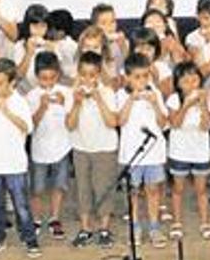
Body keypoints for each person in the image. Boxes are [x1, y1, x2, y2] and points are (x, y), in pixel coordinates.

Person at [0, 58, 40, 259]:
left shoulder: (19, 101)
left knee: (21, 204)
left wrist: (5, 110)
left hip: (14, 164)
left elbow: (27, 127)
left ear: (11, 83)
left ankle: (29, 236)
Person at [66, 51, 119, 248]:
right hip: (81, 147)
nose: (88, 79)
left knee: (103, 187)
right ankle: (86, 227)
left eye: (92, 74)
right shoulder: (72, 94)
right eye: (84, 74)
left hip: (104, 148)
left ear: (99, 75)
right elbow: (70, 125)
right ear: (78, 74)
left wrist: (98, 99)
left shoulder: (107, 92)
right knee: (83, 188)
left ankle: (104, 228)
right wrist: (77, 104)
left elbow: (113, 121)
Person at [116, 53, 169, 248]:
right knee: (133, 191)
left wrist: (154, 103)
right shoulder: (121, 95)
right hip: (132, 152)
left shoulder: (155, 93)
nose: (142, 81)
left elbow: (163, 123)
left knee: (153, 190)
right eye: (137, 77)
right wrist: (131, 99)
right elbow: (119, 121)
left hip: (154, 152)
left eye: (145, 76)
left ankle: (154, 227)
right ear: (127, 77)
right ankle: (135, 226)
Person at [26, 51, 73, 239]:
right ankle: (36, 218)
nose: (48, 82)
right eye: (44, 78)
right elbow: (30, 126)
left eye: (52, 78)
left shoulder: (66, 92)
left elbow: (72, 122)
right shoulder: (32, 95)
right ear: (37, 77)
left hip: (62, 148)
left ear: (58, 75)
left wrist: (64, 105)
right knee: (37, 188)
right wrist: (41, 107)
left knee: (59, 185)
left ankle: (55, 217)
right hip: (39, 149)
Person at [166, 61, 210, 240]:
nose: (192, 84)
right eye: (186, 81)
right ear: (178, 83)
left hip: (200, 150)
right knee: (178, 188)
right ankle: (176, 222)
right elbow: (175, 123)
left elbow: (206, 126)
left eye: (195, 80)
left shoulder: (205, 99)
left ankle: (205, 221)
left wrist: (201, 105)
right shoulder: (173, 99)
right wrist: (186, 105)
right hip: (179, 150)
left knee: (201, 188)